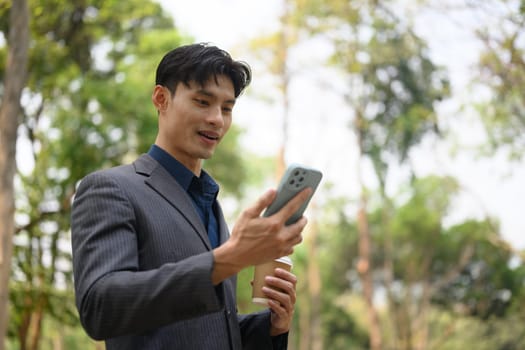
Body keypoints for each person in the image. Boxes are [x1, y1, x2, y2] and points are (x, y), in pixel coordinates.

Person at [70, 42, 312, 350]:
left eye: (227, 108)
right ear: (161, 99)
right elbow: (101, 307)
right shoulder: (110, 189)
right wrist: (231, 257)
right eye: (202, 102)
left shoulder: (213, 207)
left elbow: (206, 330)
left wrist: (273, 326)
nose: (217, 119)